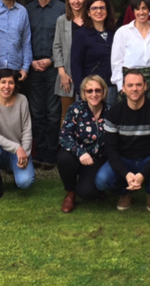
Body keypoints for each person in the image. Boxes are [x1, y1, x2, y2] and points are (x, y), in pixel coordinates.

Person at [95, 69, 150, 212]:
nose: (134, 89)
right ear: (123, 88)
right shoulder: (114, 113)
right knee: (101, 180)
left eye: (138, 85)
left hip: (149, 158)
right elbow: (110, 149)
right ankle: (125, 192)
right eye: (130, 85)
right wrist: (125, 174)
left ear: (145, 86)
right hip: (124, 159)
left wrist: (143, 175)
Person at [25, 0, 65, 169]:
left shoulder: (61, 9)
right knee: (36, 112)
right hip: (33, 68)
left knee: (52, 112)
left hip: (54, 67)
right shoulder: (26, 10)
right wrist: (31, 62)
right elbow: (23, 39)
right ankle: (39, 152)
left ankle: (51, 154)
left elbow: (65, 40)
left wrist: (51, 61)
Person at [57, 75, 110, 213]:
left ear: (104, 91)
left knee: (87, 193)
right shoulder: (75, 109)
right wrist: (80, 152)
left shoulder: (110, 112)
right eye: (89, 91)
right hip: (77, 155)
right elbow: (64, 135)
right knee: (64, 158)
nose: (94, 94)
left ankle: (94, 185)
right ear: (84, 94)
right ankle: (70, 194)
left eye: (98, 90)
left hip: (98, 158)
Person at [0, 69, 35, 199]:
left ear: (15, 85)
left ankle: (16, 170)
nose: (6, 86)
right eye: (3, 82)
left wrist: (25, 154)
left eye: (11, 83)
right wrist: (17, 147)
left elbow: (27, 130)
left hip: (18, 153)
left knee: (25, 182)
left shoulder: (22, 100)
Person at [111, 0, 150, 101]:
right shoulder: (123, 32)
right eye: (137, 9)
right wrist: (120, 85)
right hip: (129, 84)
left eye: (144, 8)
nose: (141, 12)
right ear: (133, 11)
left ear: (149, 10)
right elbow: (116, 61)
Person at [71, 0, 117, 105]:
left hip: (111, 87)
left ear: (107, 11)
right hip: (90, 89)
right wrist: (81, 90)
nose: (98, 11)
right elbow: (76, 64)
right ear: (88, 13)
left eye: (102, 8)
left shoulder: (116, 32)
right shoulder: (81, 34)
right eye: (94, 8)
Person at [53, 0, 86, 125]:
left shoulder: (90, 19)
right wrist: (62, 73)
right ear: (68, 1)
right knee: (67, 116)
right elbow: (57, 47)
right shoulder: (62, 20)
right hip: (68, 75)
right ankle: (66, 140)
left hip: (87, 72)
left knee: (87, 116)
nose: (76, 1)